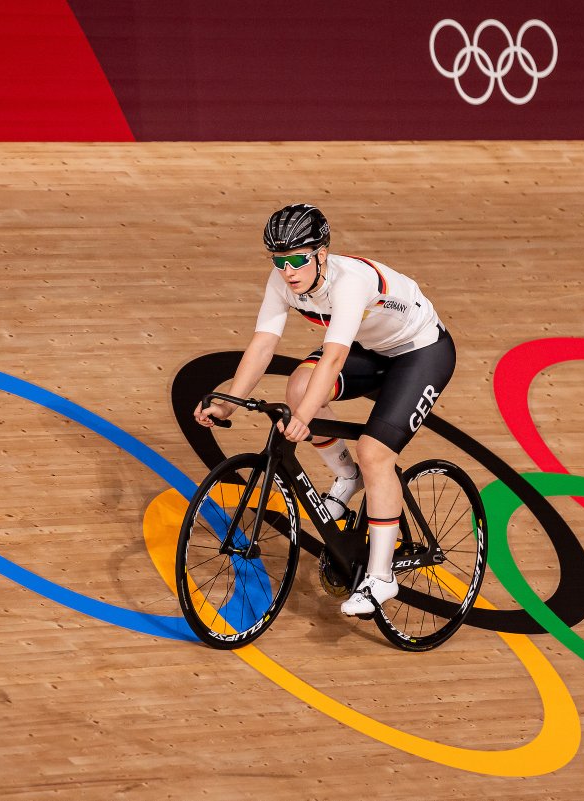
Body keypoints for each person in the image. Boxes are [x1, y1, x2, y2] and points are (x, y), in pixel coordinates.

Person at [193, 203, 456, 617]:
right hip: (370, 351)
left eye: (298, 259)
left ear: (322, 253)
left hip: (420, 353)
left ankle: (382, 577)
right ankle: (346, 476)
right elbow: (263, 344)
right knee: (299, 386)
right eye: (280, 261)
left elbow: (333, 359)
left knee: (375, 452)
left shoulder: (350, 282)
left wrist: (303, 420)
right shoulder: (283, 282)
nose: (289, 271)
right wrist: (228, 401)